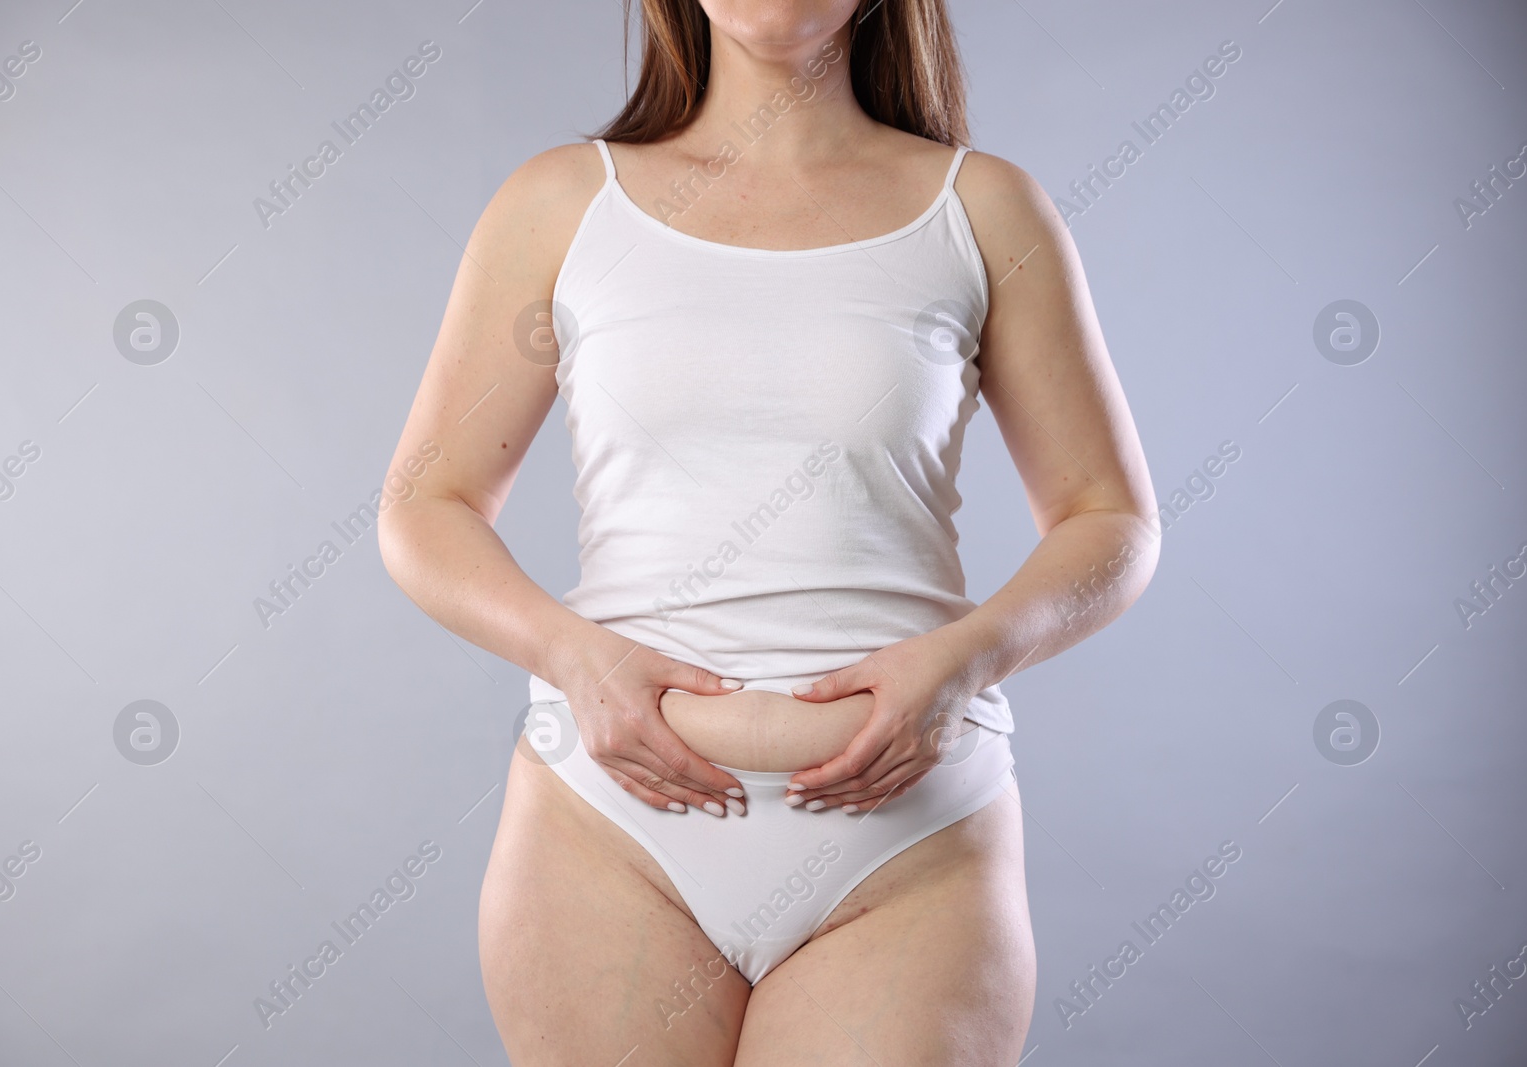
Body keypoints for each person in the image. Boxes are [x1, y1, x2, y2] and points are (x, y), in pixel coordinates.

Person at [377, 1, 1159, 1062]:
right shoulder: (561, 203)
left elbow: (1108, 519)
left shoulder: (983, 210)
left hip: (906, 852)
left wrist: (966, 659)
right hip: (606, 838)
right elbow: (426, 505)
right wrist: (572, 653)